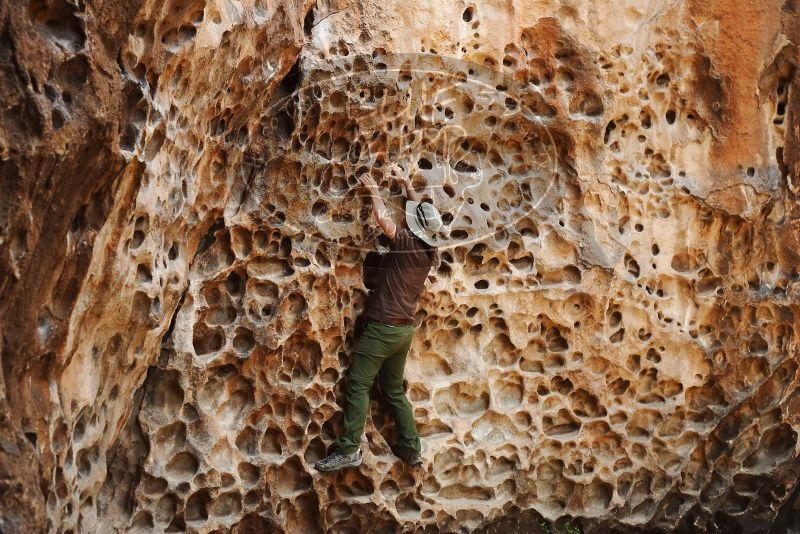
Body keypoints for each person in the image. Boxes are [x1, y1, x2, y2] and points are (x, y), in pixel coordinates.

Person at [315, 163, 443, 472]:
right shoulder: (428, 249)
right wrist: (406, 184)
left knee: (358, 385)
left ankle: (348, 449)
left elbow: (384, 222)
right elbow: (417, 216)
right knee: (394, 389)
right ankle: (412, 449)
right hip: (402, 333)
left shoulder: (407, 245)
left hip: (382, 330)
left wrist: (374, 192)